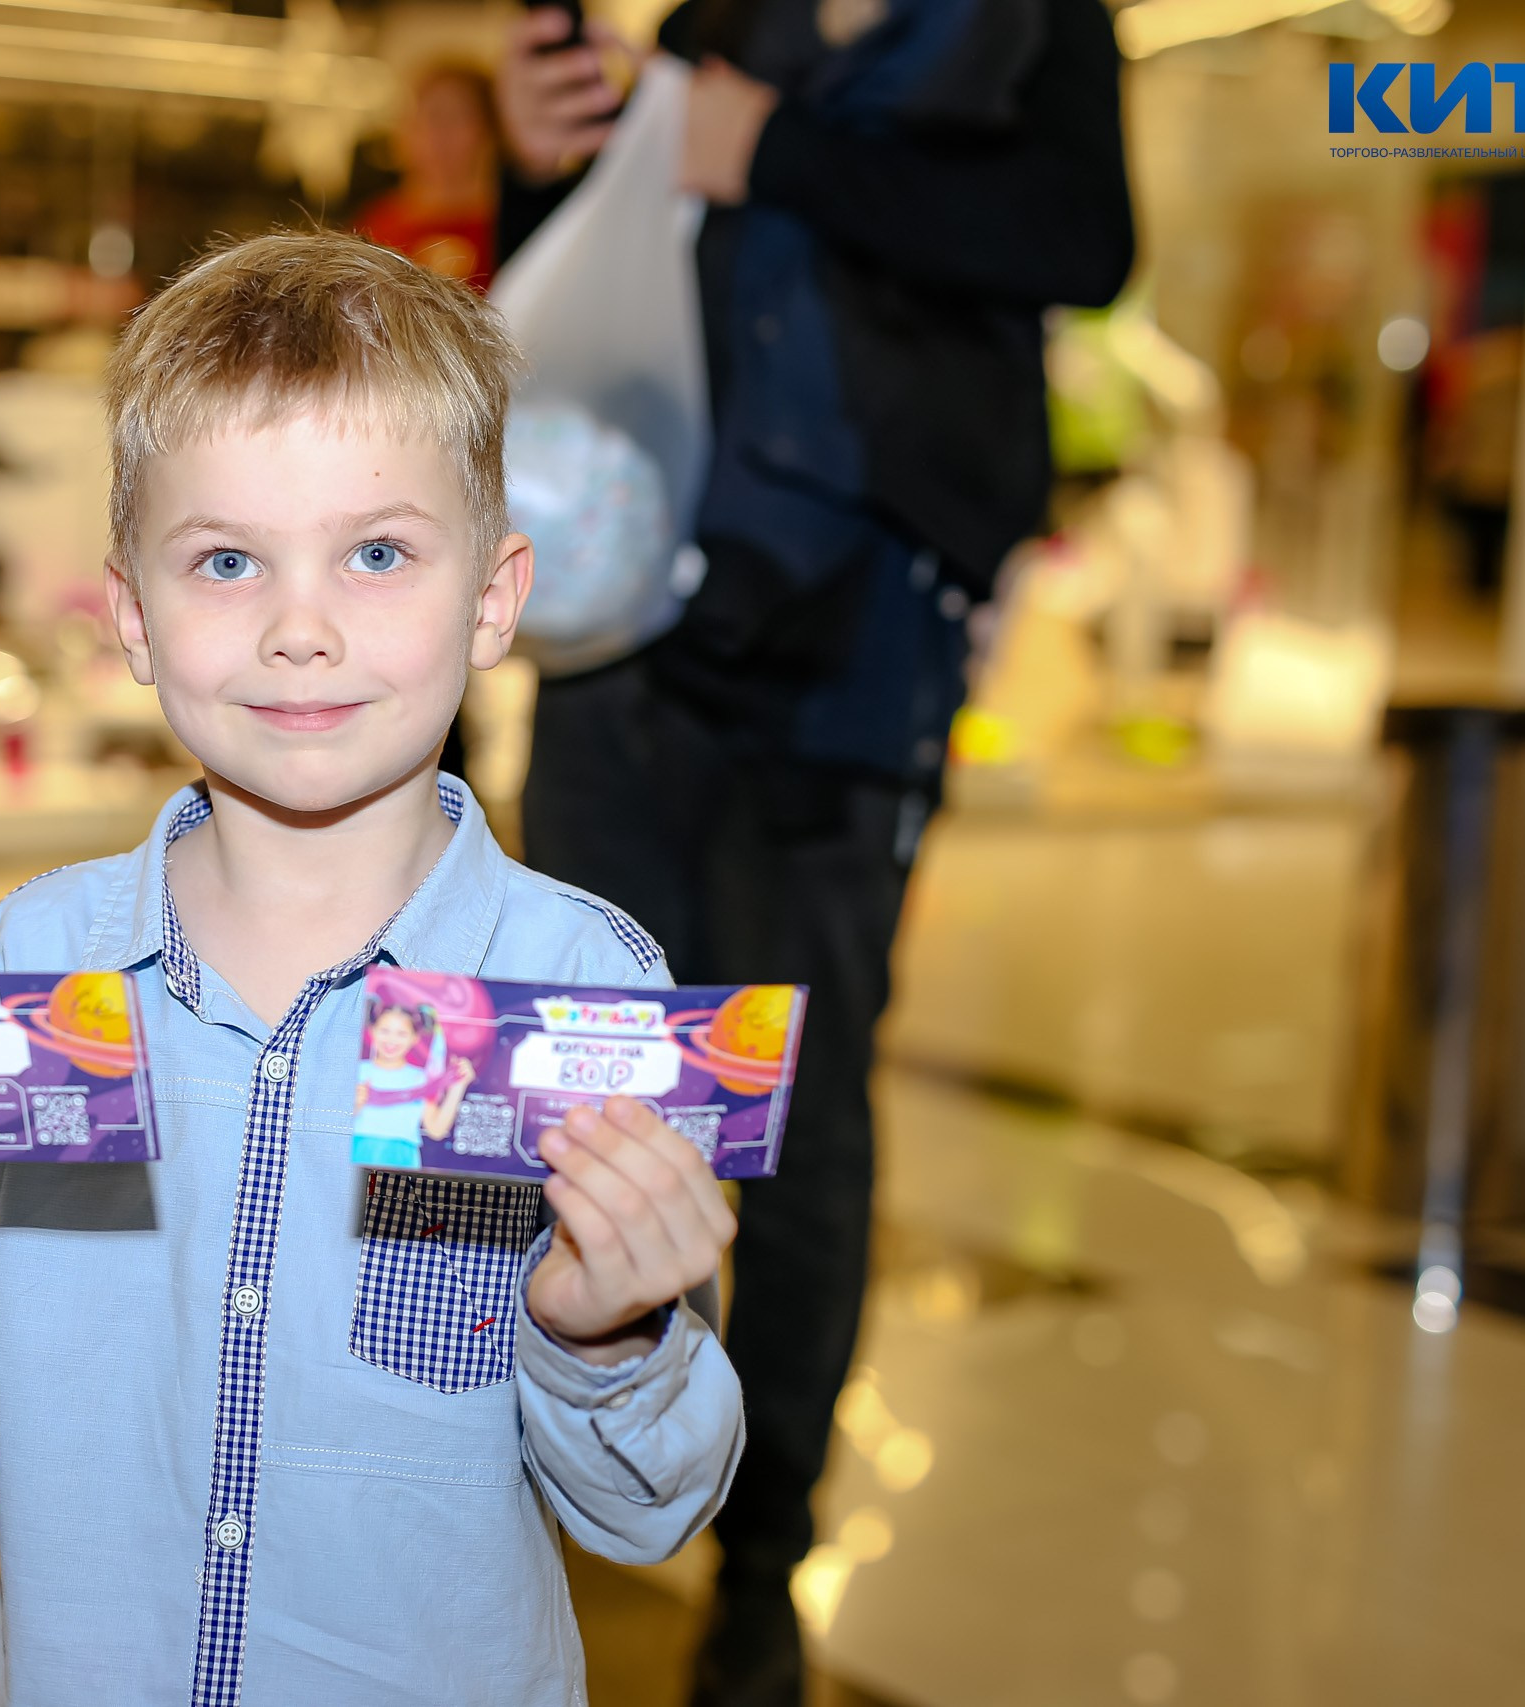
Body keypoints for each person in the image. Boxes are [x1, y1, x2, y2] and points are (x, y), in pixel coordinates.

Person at [0, 233, 745, 1705]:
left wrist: (604, 1330)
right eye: (227, 560)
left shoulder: (579, 991)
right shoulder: (38, 966)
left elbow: (651, 1506)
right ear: (132, 617)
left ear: (494, 597)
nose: (300, 629)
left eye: (378, 553)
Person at [494, 3, 1134, 1702]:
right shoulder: (720, 17)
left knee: (797, 1121)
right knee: (558, 1076)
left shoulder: (1030, 25)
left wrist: (774, 149)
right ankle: (512, 1486)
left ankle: (763, 1555)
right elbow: (576, 287)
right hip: (629, 632)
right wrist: (539, 161)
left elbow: (1082, 241)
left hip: (858, 656)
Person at [353, 62, 502, 293]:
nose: (440, 134)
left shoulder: (506, 227)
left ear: (489, 130)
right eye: (429, 116)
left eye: (457, 117)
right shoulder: (378, 225)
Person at [352, 1000, 472, 1168]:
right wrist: (354, 1106)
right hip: (355, 1152)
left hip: (402, 1159)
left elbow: (436, 1129)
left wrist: (458, 1087)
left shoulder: (421, 1080)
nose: (391, 1040)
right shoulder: (354, 1072)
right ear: (372, 1031)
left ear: (414, 1038)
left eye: (401, 1033)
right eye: (385, 1031)